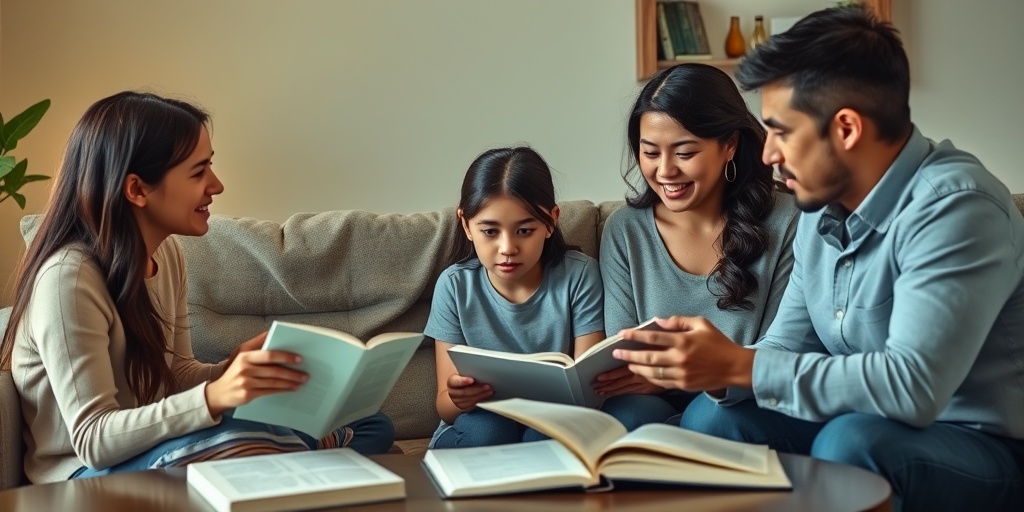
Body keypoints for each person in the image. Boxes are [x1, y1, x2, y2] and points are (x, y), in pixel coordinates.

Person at [612, 6, 1024, 511]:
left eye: (783, 132)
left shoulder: (956, 207)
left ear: (846, 128)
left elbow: (913, 386)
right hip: (861, 420)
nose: (768, 155)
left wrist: (742, 364)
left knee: (850, 442)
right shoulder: (820, 208)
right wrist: (714, 370)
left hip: (978, 445)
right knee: (714, 418)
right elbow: (789, 342)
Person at [0, 91, 394, 484]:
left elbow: (177, 372)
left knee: (368, 421)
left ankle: (274, 459)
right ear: (137, 189)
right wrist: (215, 397)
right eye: (198, 171)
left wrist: (230, 372)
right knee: (250, 435)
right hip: (87, 474)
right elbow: (93, 437)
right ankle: (281, 454)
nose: (216, 185)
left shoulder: (167, 254)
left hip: (158, 446)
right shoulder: (68, 279)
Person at [596, 63, 798, 428]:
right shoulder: (625, 231)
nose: (665, 171)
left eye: (684, 153)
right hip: (649, 400)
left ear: (730, 146)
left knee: (711, 418)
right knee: (621, 418)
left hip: (742, 394)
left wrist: (683, 372)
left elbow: (779, 349)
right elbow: (623, 355)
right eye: (651, 153)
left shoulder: (786, 221)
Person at [426, 146, 605, 448]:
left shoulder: (578, 275)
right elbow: (445, 406)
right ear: (467, 225)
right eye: (490, 232)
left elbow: (590, 391)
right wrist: (459, 397)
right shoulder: (454, 287)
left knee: (546, 435)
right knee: (489, 431)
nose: (507, 248)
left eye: (524, 231)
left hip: (553, 419)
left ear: (551, 221)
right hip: (479, 424)